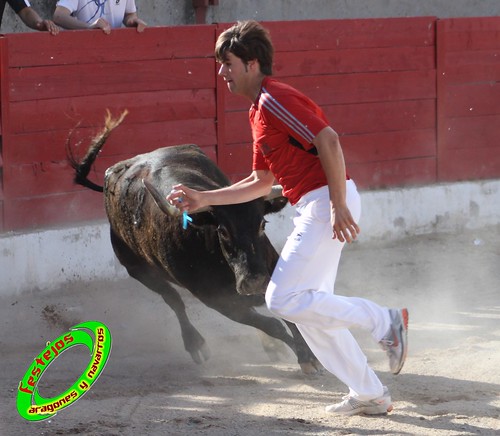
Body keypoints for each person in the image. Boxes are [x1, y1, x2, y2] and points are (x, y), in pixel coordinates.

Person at [166, 20, 409, 416]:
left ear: (252, 63)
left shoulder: (273, 100)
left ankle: (384, 321)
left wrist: (339, 203)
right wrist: (203, 199)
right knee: (311, 311)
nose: (221, 72)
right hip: (314, 203)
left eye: (227, 63)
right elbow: (261, 182)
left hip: (324, 203)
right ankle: (370, 393)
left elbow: (327, 139)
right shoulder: (258, 111)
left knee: (282, 299)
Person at [53, 0, 146, 34]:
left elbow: (129, 14)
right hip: (83, 50)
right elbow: (59, 16)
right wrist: (89, 27)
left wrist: (132, 21)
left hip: (115, 49)